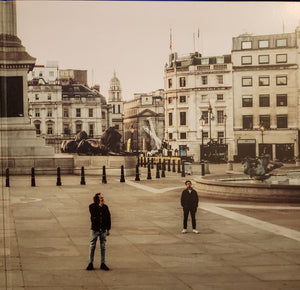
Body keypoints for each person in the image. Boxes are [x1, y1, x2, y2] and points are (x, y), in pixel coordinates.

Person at [86, 193, 111, 271]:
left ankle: (102, 263)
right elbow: (94, 215)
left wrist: (108, 229)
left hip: (103, 230)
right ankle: (90, 262)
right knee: (92, 246)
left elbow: (108, 218)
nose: (102, 199)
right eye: (100, 198)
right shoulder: (92, 207)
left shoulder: (105, 207)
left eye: (102, 198)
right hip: (95, 230)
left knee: (103, 247)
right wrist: (99, 206)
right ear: (97, 199)